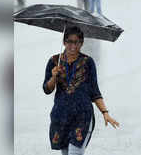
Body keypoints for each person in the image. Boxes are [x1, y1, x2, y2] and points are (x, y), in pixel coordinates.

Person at [43, 26, 119, 155]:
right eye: (69, 42)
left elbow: (94, 91)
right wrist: (53, 77)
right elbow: (47, 89)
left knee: (75, 152)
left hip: (82, 117)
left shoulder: (88, 62)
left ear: (82, 43)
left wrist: (105, 112)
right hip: (61, 117)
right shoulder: (54, 61)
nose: (73, 46)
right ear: (64, 42)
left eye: (76, 42)